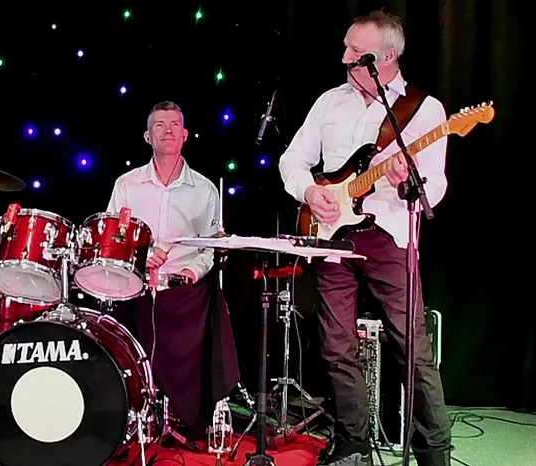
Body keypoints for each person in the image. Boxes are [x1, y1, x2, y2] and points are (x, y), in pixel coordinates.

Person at [278, 10, 452, 466]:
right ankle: (352, 444)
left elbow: (435, 184)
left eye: (355, 52)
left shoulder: (424, 110)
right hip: (333, 235)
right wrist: (310, 191)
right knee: (337, 346)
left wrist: (405, 181)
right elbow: (292, 160)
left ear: (386, 57)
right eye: (346, 47)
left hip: (389, 236)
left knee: (412, 348)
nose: (344, 58)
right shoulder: (329, 102)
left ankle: (434, 451)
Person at [106, 101, 241, 439]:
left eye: (174, 125)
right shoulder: (126, 184)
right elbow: (114, 236)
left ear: (185, 135)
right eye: (159, 125)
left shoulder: (205, 189)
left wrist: (192, 272)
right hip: (139, 291)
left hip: (186, 293)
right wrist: (140, 256)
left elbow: (211, 246)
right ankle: (136, 420)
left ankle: (187, 418)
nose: (167, 130)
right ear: (147, 136)